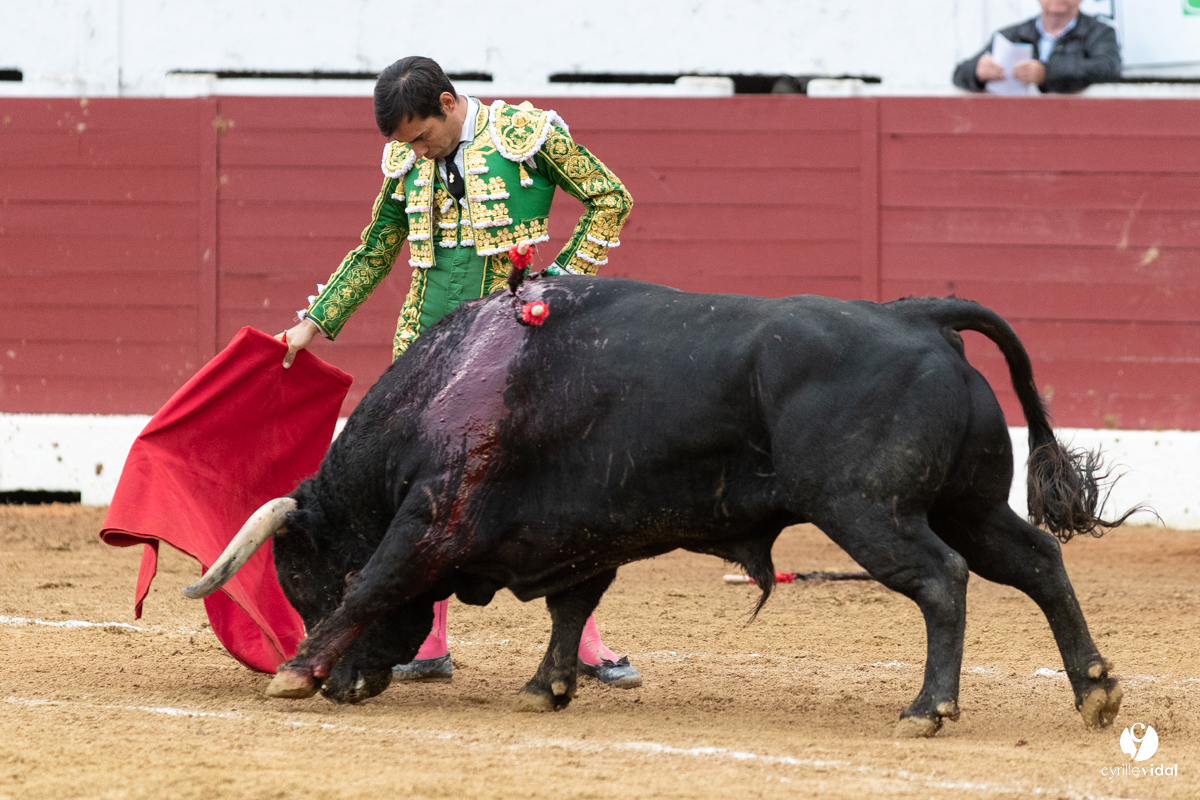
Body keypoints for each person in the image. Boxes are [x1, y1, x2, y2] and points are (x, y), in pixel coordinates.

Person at [276, 56, 641, 689]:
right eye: (404, 144)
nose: (415, 153)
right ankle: (429, 640)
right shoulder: (405, 161)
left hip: (516, 343)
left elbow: (612, 197)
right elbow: (375, 249)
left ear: (448, 103)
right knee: (416, 495)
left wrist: (561, 283)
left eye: (420, 137)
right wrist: (311, 324)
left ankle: (580, 638)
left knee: (547, 484)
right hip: (423, 351)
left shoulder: (526, 136)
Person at [953, 0, 1120, 94]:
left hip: (1075, 124)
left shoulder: (1100, 32)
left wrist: (1046, 73)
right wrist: (978, 72)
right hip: (1020, 125)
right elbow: (959, 74)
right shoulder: (1011, 34)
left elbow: (1108, 68)